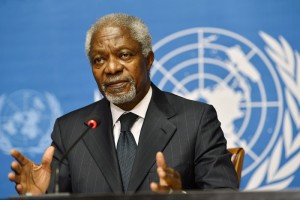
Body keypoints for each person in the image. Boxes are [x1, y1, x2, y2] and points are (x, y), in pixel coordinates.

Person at [8, 13, 238, 195]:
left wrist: (181, 195)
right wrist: (41, 196)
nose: (111, 68)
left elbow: (225, 194)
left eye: (125, 55)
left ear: (148, 60)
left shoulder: (195, 120)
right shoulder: (70, 130)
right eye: (99, 60)